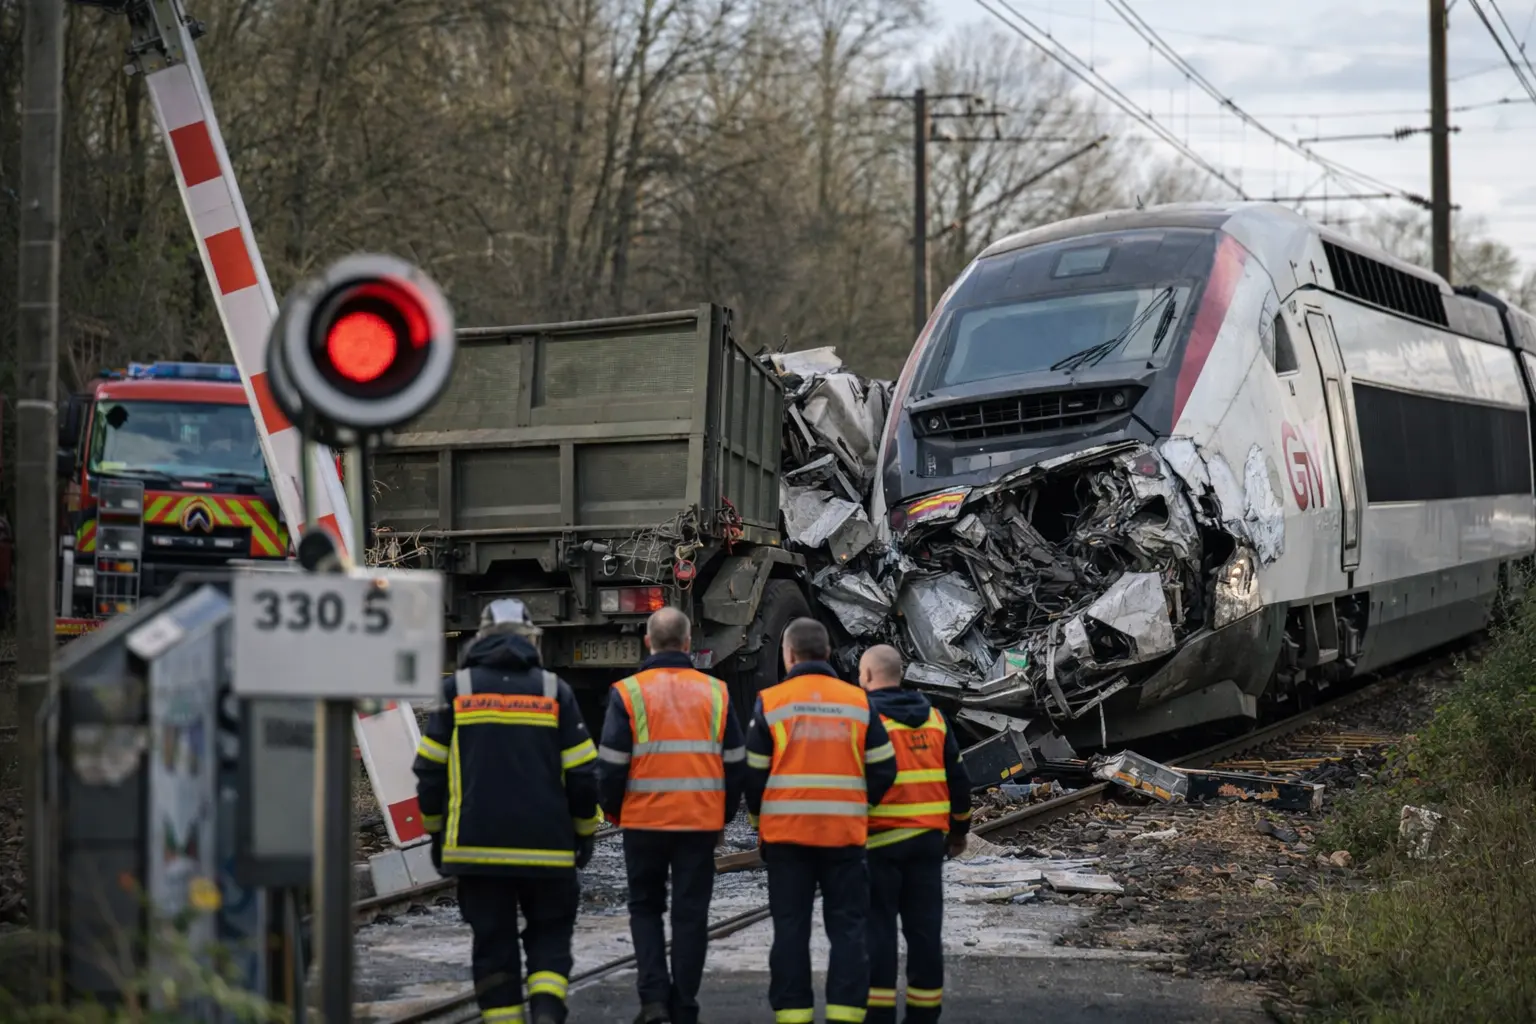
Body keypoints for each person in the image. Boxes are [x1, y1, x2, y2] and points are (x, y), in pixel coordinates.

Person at [412, 598, 603, 1024]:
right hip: (548, 849)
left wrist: (438, 835)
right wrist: (584, 832)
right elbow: (583, 775)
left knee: (493, 944)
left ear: (479, 639)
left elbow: (428, 772)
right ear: (531, 640)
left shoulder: (456, 692)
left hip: (477, 850)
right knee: (550, 935)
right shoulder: (555, 691)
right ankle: (549, 1012)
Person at [597, 606, 747, 1024]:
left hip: (642, 822)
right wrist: (722, 814)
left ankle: (653, 1000)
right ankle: (685, 1005)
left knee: (645, 907)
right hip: (698, 822)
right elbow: (735, 762)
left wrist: (613, 810)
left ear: (648, 641)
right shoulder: (716, 692)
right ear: (686, 644)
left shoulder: (627, 692)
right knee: (690, 913)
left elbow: (610, 764)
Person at [745, 617, 898, 1024]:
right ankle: (845, 1015)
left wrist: (759, 820)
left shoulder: (771, 701)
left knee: (790, 929)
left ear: (789, 655)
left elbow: (754, 773)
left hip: (786, 839)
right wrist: (859, 808)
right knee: (848, 929)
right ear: (828, 653)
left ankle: (793, 1015)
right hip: (843, 837)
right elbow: (884, 769)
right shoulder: (858, 702)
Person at [856, 645, 972, 1024]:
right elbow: (959, 782)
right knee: (924, 933)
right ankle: (924, 1015)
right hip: (927, 844)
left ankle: (880, 1014)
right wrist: (959, 831)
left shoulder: (864, 720)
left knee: (879, 931)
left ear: (870, 677)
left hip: (879, 843)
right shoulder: (935, 719)